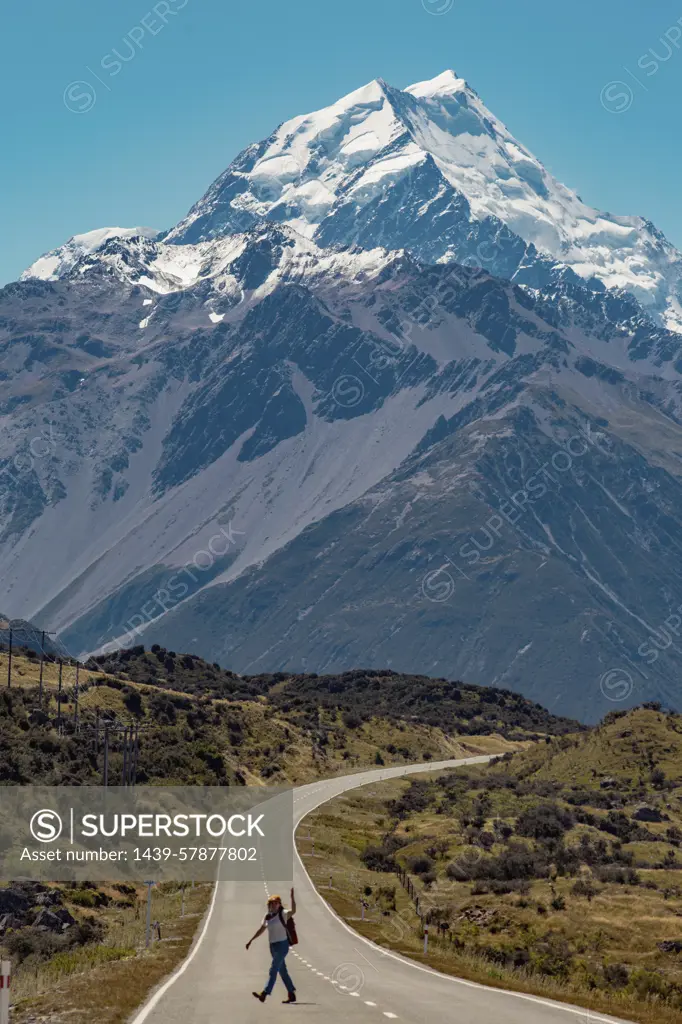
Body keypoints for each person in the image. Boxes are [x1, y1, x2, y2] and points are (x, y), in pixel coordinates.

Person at [246, 887, 297, 1004]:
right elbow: (262, 929)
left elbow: (293, 911)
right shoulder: (267, 916)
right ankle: (291, 993)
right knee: (282, 970)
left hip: (282, 945)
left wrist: (292, 898)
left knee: (273, 969)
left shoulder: (283, 914)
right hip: (272, 946)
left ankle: (264, 993)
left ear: (279, 904)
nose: (274, 905)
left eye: (276, 903)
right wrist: (251, 940)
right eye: (272, 903)